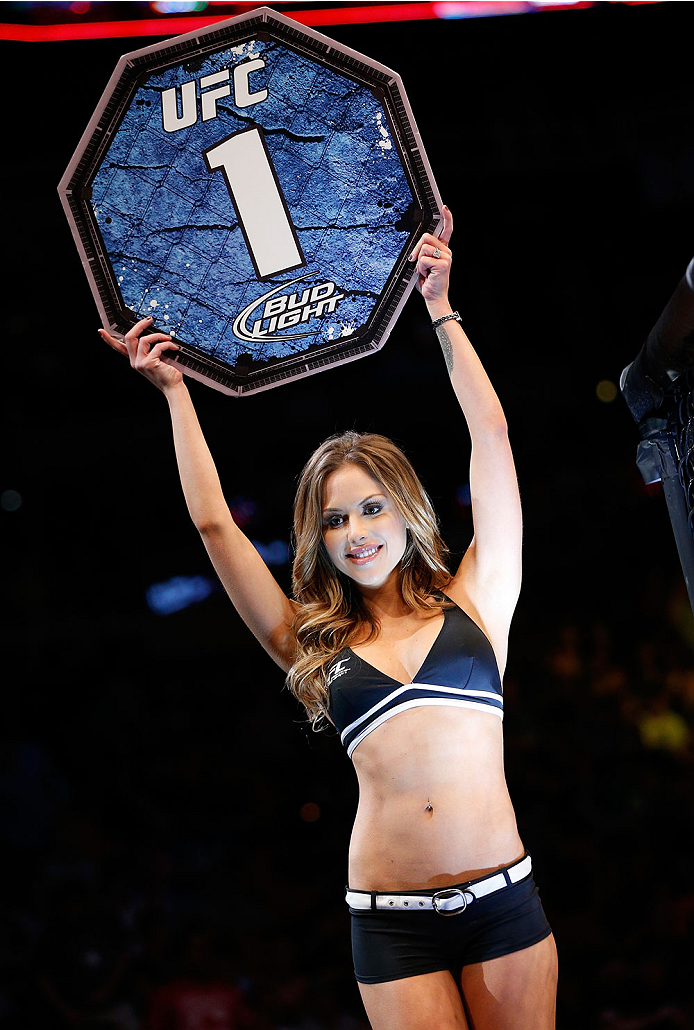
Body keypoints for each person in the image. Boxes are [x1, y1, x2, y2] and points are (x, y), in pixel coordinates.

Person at [100, 206, 558, 1030]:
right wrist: (174, 394)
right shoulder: (313, 644)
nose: (355, 533)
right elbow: (214, 528)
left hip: (505, 903)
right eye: (335, 520)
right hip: (388, 924)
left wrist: (441, 309)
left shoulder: (479, 599)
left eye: (371, 508)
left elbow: (491, 439)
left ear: (406, 511)